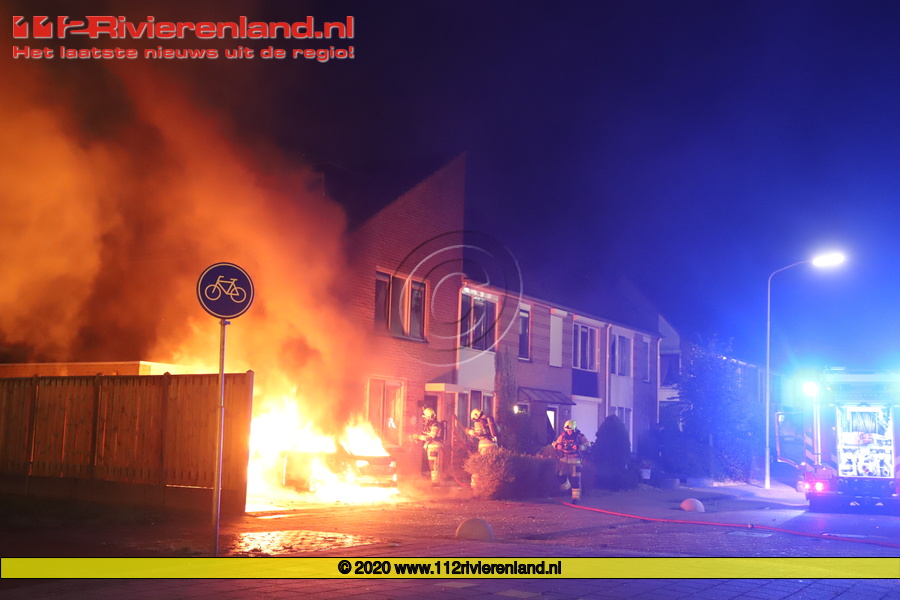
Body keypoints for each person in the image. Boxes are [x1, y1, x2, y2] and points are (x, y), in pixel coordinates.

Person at [553, 420, 589, 504]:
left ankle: (575, 499)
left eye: (571, 430)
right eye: (568, 430)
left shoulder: (580, 436)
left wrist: (579, 447)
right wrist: (558, 445)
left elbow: (587, 445)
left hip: (575, 460)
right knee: (559, 475)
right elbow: (554, 443)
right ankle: (566, 487)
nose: (569, 432)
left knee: (575, 480)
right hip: (564, 458)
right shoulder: (563, 436)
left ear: (575, 429)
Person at [416, 407, 444, 484]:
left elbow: (431, 437)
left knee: (433, 463)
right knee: (431, 463)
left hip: (434, 446)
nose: (424, 419)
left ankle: (435, 481)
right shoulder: (430, 424)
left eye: (425, 417)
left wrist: (419, 437)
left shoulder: (435, 425)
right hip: (431, 445)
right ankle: (435, 480)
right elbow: (426, 435)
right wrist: (417, 438)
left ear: (429, 417)